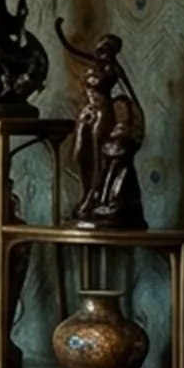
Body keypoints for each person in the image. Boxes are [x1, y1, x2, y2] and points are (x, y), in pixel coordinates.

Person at [56, 19, 147, 229]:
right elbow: (71, 50)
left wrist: (133, 122)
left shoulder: (113, 68)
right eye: (101, 46)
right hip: (87, 113)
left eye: (107, 48)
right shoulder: (93, 63)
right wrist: (59, 31)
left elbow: (129, 94)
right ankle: (86, 193)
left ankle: (94, 197)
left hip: (103, 113)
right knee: (80, 154)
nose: (102, 51)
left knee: (99, 158)